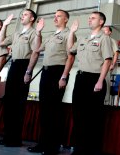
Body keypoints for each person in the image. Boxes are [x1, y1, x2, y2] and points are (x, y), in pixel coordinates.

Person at [27, 10, 76, 155]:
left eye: (59, 16)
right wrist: (38, 32)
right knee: (44, 110)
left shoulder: (69, 34)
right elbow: (36, 49)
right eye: (54, 16)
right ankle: (43, 143)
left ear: (66, 19)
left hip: (58, 72)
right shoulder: (50, 36)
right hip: (46, 72)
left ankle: (52, 147)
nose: (55, 18)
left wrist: (64, 76)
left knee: (54, 111)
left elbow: (70, 56)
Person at [67, 11, 113, 155]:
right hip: (80, 78)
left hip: (95, 79)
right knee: (79, 115)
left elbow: (107, 60)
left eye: (93, 18)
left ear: (101, 22)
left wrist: (100, 80)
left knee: (93, 118)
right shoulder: (83, 39)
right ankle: (79, 149)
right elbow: (70, 49)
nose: (89, 20)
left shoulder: (104, 39)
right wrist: (71, 32)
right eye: (89, 18)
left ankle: (91, 150)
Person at [0, 10, 43, 147]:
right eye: (22, 15)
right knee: (9, 101)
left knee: (18, 104)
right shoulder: (16, 34)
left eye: (25, 15)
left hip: (23, 66)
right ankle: (7, 136)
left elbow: (36, 51)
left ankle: (15, 139)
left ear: (32, 18)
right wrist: (4, 26)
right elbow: (0, 43)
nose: (22, 16)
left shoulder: (33, 33)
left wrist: (28, 72)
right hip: (13, 65)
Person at [102, 25, 120, 105]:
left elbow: (116, 53)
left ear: (110, 32)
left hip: (107, 65)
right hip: (97, 66)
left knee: (105, 82)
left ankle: (105, 101)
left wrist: (113, 64)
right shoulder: (100, 40)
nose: (103, 32)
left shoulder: (112, 40)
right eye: (103, 30)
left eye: (105, 30)